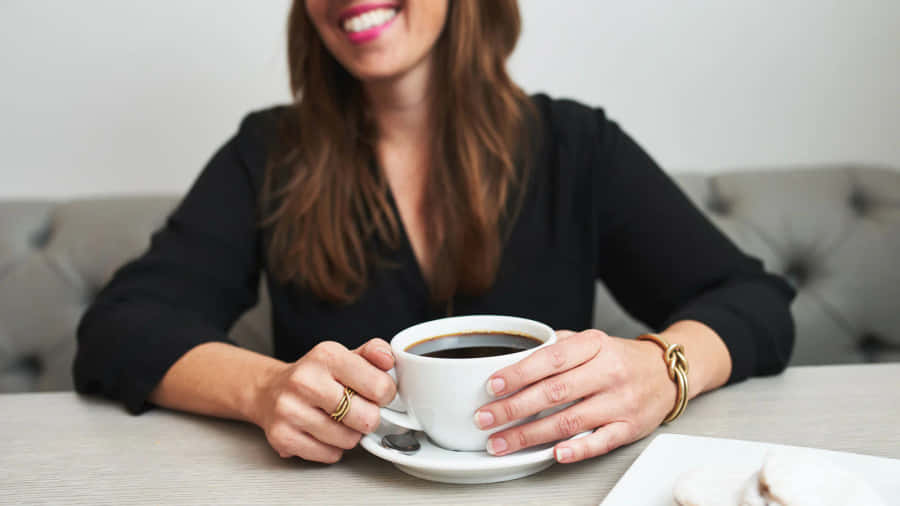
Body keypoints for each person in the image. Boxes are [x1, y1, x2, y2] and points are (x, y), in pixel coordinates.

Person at [74, 0, 795, 465]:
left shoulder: (577, 146)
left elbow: (753, 300)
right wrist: (263, 388)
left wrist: (665, 369)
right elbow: (120, 328)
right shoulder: (268, 154)